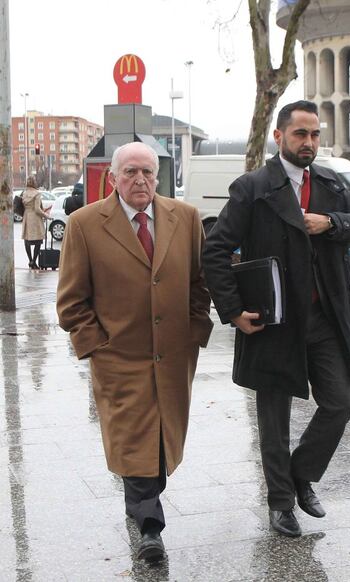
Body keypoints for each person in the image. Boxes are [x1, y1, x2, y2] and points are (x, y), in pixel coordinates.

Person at [202, 100, 350, 538]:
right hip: (273, 319)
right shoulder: (253, 187)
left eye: (315, 134)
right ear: (279, 136)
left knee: (340, 402)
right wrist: (232, 312)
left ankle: (301, 475)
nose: (309, 142)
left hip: (325, 318)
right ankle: (281, 503)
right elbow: (215, 250)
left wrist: (330, 223)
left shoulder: (331, 183)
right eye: (301, 133)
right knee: (273, 418)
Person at [56, 142, 213, 561]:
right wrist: (97, 348)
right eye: (130, 173)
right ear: (113, 178)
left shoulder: (186, 217)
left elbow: (200, 284)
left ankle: (143, 505)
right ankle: (149, 527)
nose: (139, 179)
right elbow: (71, 301)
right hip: (119, 358)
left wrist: (196, 330)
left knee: (159, 441)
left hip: (175, 356)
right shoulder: (84, 225)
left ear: (158, 176)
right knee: (134, 439)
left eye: (147, 171)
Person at [21, 176, 50, 269]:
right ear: (34, 183)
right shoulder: (37, 194)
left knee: (27, 240)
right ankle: (34, 261)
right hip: (35, 218)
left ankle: (30, 261)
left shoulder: (24, 193)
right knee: (38, 241)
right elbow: (37, 209)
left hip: (26, 217)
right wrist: (47, 216)